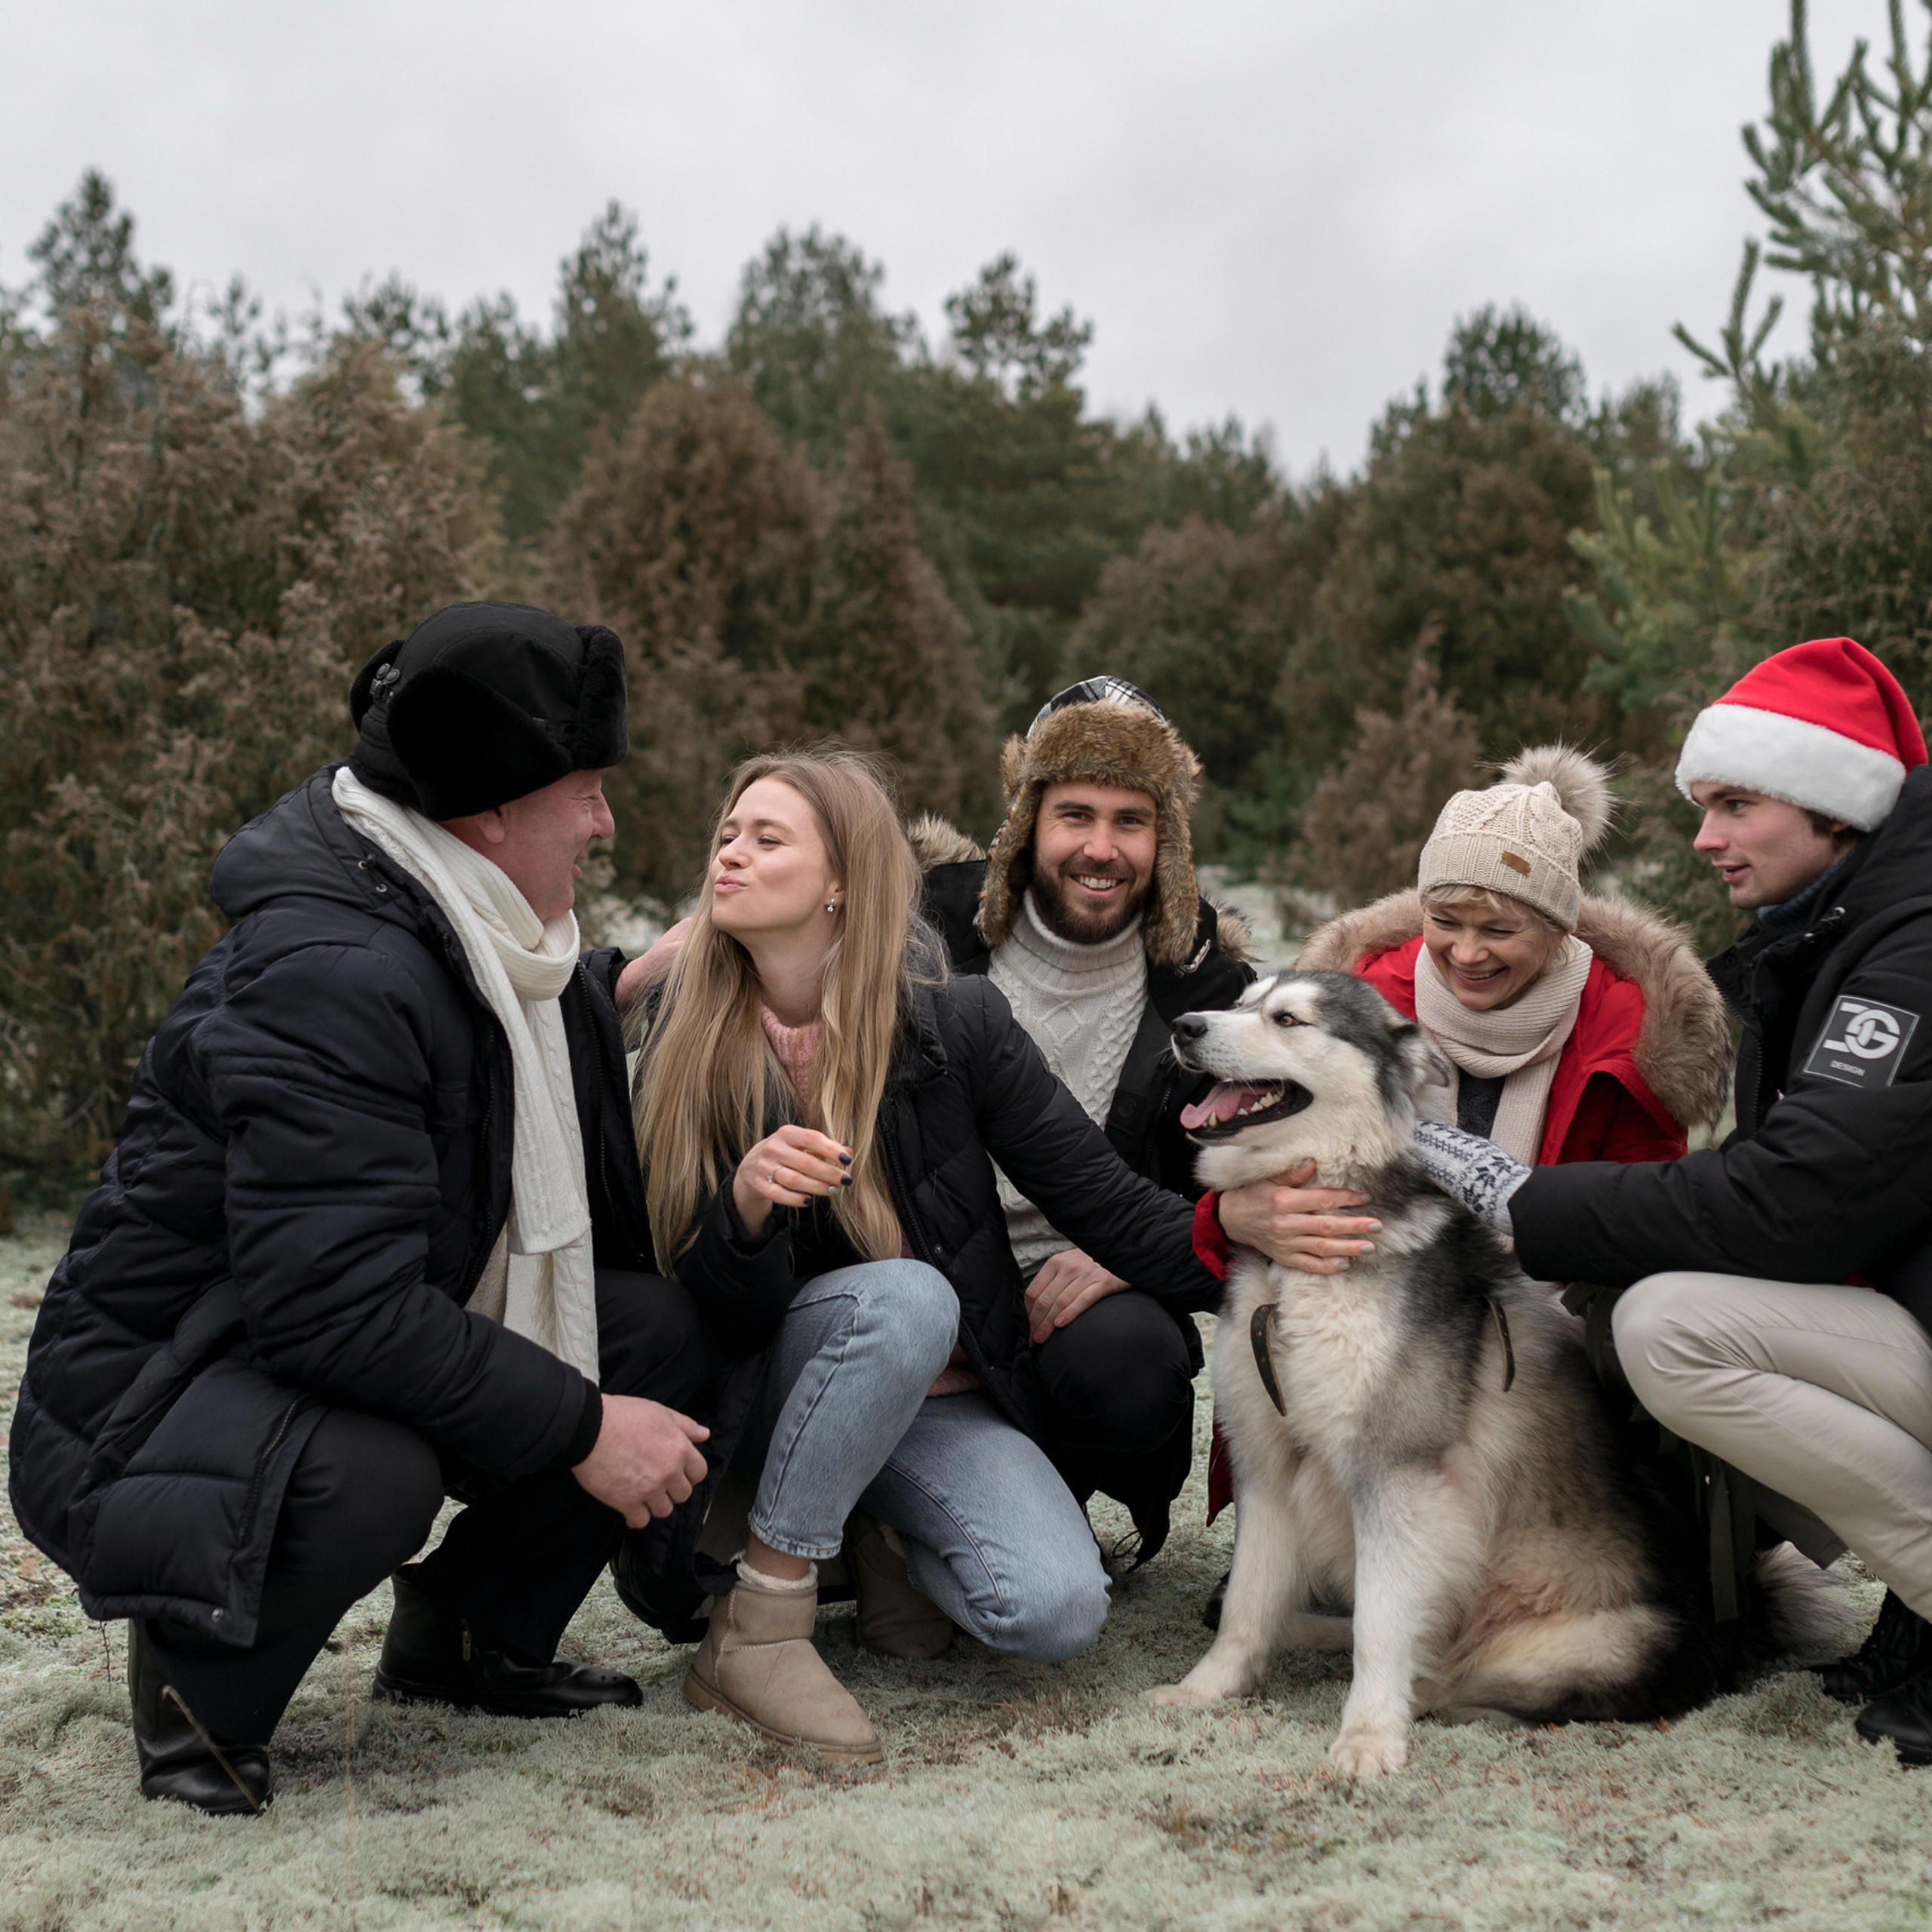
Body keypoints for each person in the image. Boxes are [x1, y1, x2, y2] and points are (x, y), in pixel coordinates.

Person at [8, 602, 714, 1816]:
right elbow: (331, 1311)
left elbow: (467, 1072)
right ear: (490, 808)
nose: (605, 818)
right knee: (373, 1472)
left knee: (649, 1328)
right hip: (164, 1399)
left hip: (293, 1338)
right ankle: (197, 1702)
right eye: (586, 788)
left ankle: (466, 1638)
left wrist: (615, 989)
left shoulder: (465, 921)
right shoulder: (337, 971)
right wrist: (586, 1427)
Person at [614, 747, 1228, 1765]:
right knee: (901, 1300)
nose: (730, 856)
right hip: (765, 1388)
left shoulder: (956, 1024)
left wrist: (1256, 1245)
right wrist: (747, 1211)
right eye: (728, 835)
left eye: (768, 840)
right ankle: (760, 1628)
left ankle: (870, 1527)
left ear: (843, 882)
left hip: (932, 1400)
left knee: (1056, 1611)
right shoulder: (683, 1030)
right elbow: (689, 1309)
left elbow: (1104, 1201)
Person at [1408, 638, 1932, 1765]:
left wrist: (1526, 1202)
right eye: (1704, 807)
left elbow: (1799, 1198)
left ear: (1837, 807)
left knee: (1668, 1326)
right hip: (1904, 1321)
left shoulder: (1912, 952)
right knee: (1654, 1320)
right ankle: (1910, 1609)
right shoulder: (1838, 929)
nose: (1705, 839)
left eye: (1736, 805)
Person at [1198, 743, 1732, 1546]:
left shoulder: (1623, 1030)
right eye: (1444, 921)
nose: (1466, 951)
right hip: (1353, 1331)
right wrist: (1234, 1215)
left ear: (1557, 927)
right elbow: (1248, 1179)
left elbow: (1639, 1221)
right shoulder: (1360, 1002)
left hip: (1540, 1346)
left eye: (1500, 928)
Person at [912, 678, 1254, 1562]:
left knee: (1132, 1362)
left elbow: (1239, 1213)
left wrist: (1121, 1253)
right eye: (1075, 814)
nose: (1100, 848)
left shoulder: (1210, 989)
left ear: (1165, 836)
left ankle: (1047, 1513)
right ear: (1028, 819)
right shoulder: (921, 931)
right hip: (922, 1273)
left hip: (1088, 1298)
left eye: (1130, 820)